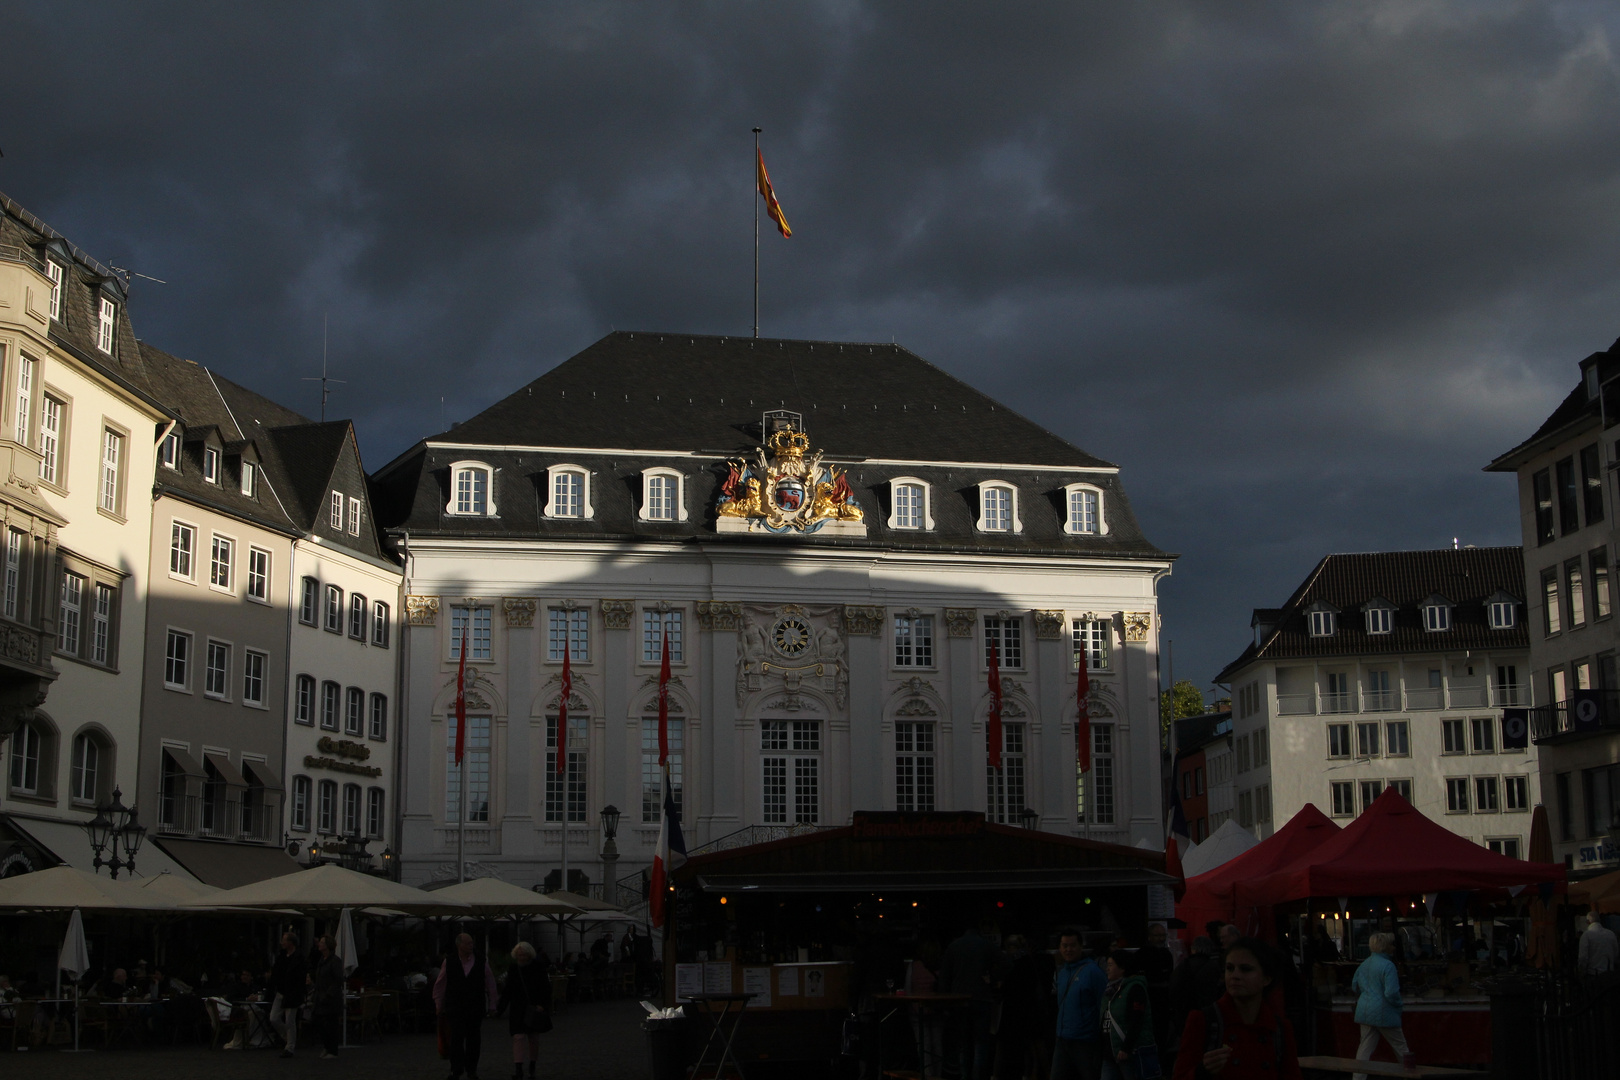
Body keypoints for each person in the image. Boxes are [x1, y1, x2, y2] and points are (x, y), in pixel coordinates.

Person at [1173, 937, 1301, 1080]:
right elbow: (1180, 1075)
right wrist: (1201, 1071)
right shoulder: (1203, 1021)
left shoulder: (1280, 1029)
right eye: (1230, 968)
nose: (1235, 976)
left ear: (1266, 978)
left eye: (1245, 969)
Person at [939, 921, 1004, 1080]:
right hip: (981, 998)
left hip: (959, 1000)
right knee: (980, 1044)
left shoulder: (954, 946)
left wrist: (946, 1002)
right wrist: (992, 979)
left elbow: (944, 976)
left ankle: (965, 1076)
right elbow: (1006, 965)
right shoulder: (986, 945)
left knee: (964, 1045)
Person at [434, 932, 499, 1080]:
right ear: (459, 945)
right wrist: (439, 1004)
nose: (471, 946)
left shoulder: (481, 961)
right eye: (468, 943)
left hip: (475, 1005)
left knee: (473, 1039)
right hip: (455, 1006)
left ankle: (471, 1069)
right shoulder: (449, 961)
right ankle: (456, 1069)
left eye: (471, 943)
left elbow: (490, 983)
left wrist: (493, 1005)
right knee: (456, 1038)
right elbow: (440, 984)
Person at [1349, 932, 1408, 1080]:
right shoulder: (1388, 966)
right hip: (1385, 1012)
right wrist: (1399, 1005)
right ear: (1385, 947)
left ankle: (1358, 1077)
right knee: (1401, 1048)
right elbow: (1391, 993)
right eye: (1391, 944)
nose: (1393, 948)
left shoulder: (1364, 964)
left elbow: (1354, 986)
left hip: (1365, 1011)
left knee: (1365, 1047)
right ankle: (1410, 1075)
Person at [1051, 927, 1106, 1080]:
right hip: (1063, 1038)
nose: (1068, 949)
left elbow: (1103, 1005)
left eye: (1072, 945)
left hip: (1086, 1041)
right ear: (1060, 948)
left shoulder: (1093, 972)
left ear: (1081, 947)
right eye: (1065, 945)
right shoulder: (1062, 973)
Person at [998, 934, 1052, 1080]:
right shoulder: (1034, 960)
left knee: (1028, 1045)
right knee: (1036, 1044)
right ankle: (1040, 1073)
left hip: (1019, 1010)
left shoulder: (1012, 963)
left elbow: (1007, 989)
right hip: (1034, 1007)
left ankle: (1029, 1073)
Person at [496, 941, 552, 1080]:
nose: (521, 957)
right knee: (518, 1037)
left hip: (533, 1007)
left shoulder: (538, 967)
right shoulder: (514, 968)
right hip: (517, 1008)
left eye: (524, 954)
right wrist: (499, 1008)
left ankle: (532, 1064)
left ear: (529, 954)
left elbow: (545, 987)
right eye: (519, 955)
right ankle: (519, 1068)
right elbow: (508, 990)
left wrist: (543, 1005)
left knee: (533, 1038)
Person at [1102, 951, 1155, 1080]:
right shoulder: (1109, 990)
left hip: (1128, 1051)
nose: (1107, 969)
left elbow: (1137, 1020)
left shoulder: (1135, 988)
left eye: (1110, 965)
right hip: (1110, 1052)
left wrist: (1126, 1047)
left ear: (1122, 968)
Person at [268, 930, 307, 1058]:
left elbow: (299, 977)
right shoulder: (282, 956)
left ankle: (290, 1047)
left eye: (284, 940)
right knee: (273, 1018)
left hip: (292, 993)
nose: (281, 943)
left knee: (290, 1020)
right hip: (281, 991)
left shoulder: (299, 957)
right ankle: (289, 1038)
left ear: (290, 942)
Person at [1138, 925, 1175, 1059]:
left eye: (1163, 936)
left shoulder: (1166, 954)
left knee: (1161, 1032)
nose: (1161, 939)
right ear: (1150, 937)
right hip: (1149, 999)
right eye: (1158, 936)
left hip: (1163, 1000)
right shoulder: (1143, 954)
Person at [311, 934, 345, 1060]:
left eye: (322, 942)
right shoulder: (321, 961)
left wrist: (328, 994)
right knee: (319, 1022)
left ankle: (332, 1050)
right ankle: (326, 1046)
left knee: (331, 1025)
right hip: (320, 998)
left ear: (327, 946)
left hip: (330, 999)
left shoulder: (335, 961)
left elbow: (337, 980)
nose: (319, 944)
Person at [1578, 910, 1619, 979]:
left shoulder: (1586, 935)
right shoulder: (1611, 934)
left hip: (1593, 974)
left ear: (1588, 922)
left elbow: (1583, 958)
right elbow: (1616, 953)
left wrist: (1582, 972)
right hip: (1609, 974)